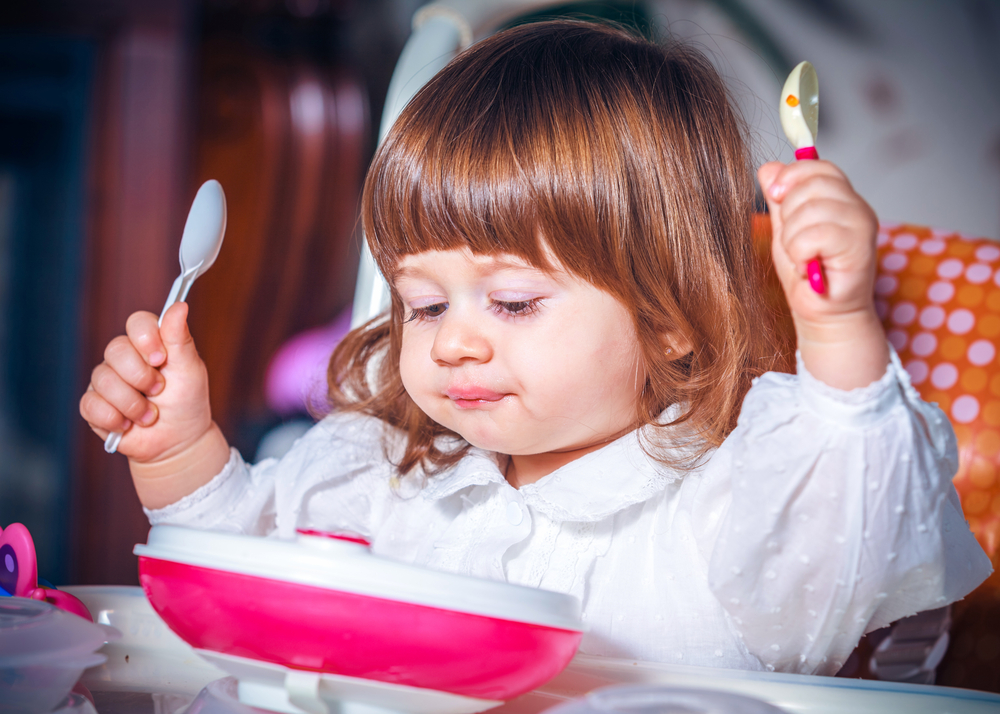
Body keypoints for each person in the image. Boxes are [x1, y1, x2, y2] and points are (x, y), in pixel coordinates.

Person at [80, 20, 990, 675]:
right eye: (423, 305)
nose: (456, 343)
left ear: (669, 315)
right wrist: (182, 453)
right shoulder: (384, 481)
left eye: (513, 302)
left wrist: (837, 329)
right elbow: (243, 599)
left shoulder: (726, 514)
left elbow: (850, 525)